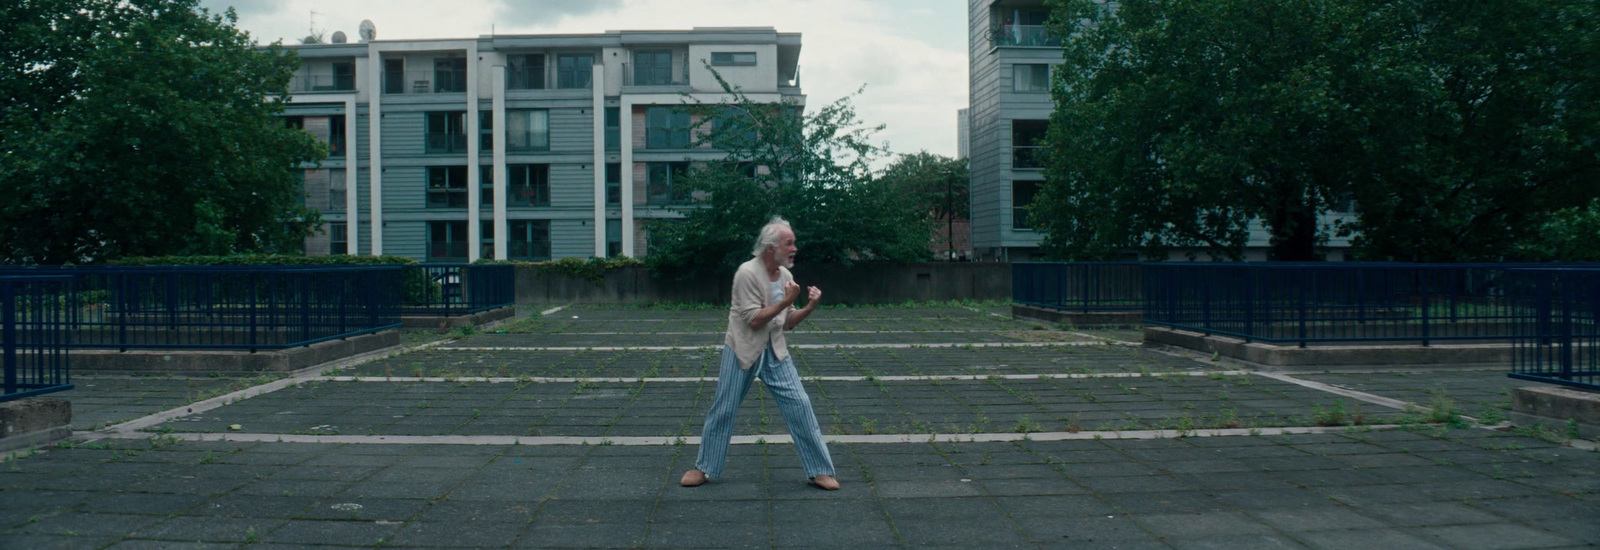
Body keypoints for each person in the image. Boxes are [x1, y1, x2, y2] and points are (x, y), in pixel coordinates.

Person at [680, 216, 838, 490]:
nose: (794, 248)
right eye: (789, 243)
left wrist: (809, 307)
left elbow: (787, 322)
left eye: (794, 243)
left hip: (775, 352)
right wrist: (787, 300)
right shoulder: (746, 273)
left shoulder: (786, 276)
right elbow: (754, 320)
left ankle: (819, 470)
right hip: (743, 350)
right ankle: (703, 468)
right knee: (724, 408)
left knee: (800, 405)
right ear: (771, 248)